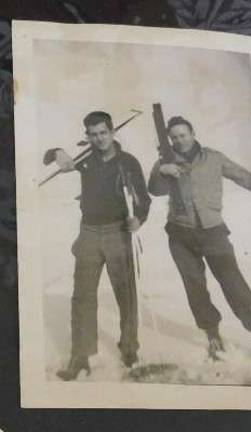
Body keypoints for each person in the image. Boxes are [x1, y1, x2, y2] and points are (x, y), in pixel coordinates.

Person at [148, 115, 251, 368]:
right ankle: (213, 337)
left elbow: (246, 178)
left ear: (192, 132)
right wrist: (160, 170)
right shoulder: (166, 162)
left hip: (214, 234)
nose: (180, 140)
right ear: (170, 139)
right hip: (181, 236)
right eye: (174, 137)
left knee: (235, 286)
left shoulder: (214, 158)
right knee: (196, 288)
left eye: (183, 134)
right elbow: (155, 190)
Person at [44, 111, 151, 380]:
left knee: (126, 295)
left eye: (103, 132)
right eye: (93, 134)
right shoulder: (85, 160)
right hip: (89, 232)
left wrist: (139, 218)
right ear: (87, 136)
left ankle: (129, 348)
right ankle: (80, 357)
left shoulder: (128, 163)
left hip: (118, 232)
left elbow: (143, 199)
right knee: (82, 296)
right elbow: (48, 158)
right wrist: (57, 152)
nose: (99, 139)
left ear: (112, 132)